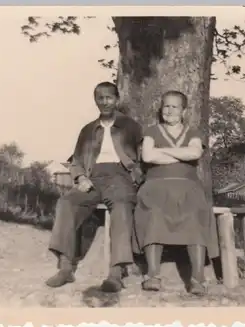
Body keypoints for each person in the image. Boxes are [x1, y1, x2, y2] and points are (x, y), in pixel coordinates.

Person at [46, 81, 143, 293]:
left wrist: (136, 177)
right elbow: (76, 160)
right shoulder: (88, 130)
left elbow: (143, 155)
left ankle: (116, 273)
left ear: (116, 100)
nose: (105, 102)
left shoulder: (131, 126)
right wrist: (80, 177)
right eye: (100, 98)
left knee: (121, 207)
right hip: (92, 177)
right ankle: (65, 267)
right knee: (67, 203)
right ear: (96, 101)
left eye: (109, 97)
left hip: (120, 176)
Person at [132, 90, 218, 296]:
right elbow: (147, 156)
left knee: (195, 215)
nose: (169, 110)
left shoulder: (193, 132)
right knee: (154, 213)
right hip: (155, 185)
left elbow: (195, 152)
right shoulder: (152, 131)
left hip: (188, 186)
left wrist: (162, 152)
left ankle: (197, 278)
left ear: (184, 110)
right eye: (166, 106)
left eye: (174, 106)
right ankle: (153, 275)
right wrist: (181, 155)